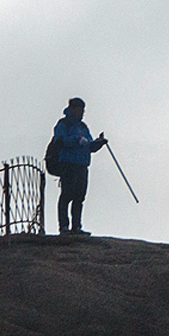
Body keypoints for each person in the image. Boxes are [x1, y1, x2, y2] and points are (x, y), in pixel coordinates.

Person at [51, 97, 106, 235]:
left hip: (82, 165)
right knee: (67, 195)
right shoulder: (63, 124)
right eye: (80, 110)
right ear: (72, 109)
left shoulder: (83, 127)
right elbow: (60, 141)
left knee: (79, 196)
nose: (82, 113)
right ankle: (64, 227)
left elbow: (89, 146)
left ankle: (76, 227)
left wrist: (98, 143)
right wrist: (76, 140)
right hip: (68, 164)